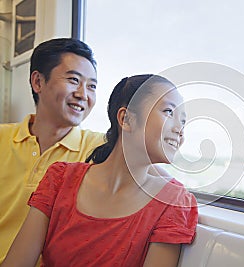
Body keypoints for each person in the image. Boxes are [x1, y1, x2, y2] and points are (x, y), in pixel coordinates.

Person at [1, 74, 198, 267]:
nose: (180, 130)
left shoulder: (174, 202)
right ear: (126, 119)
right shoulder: (60, 178)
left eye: (183, 121)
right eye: (169, 112)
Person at [0, 38, 103, 262]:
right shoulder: (2, 138)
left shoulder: (99, 149)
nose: (83, 94)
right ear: (38, 82)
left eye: (92, 86)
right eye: (74, 80)